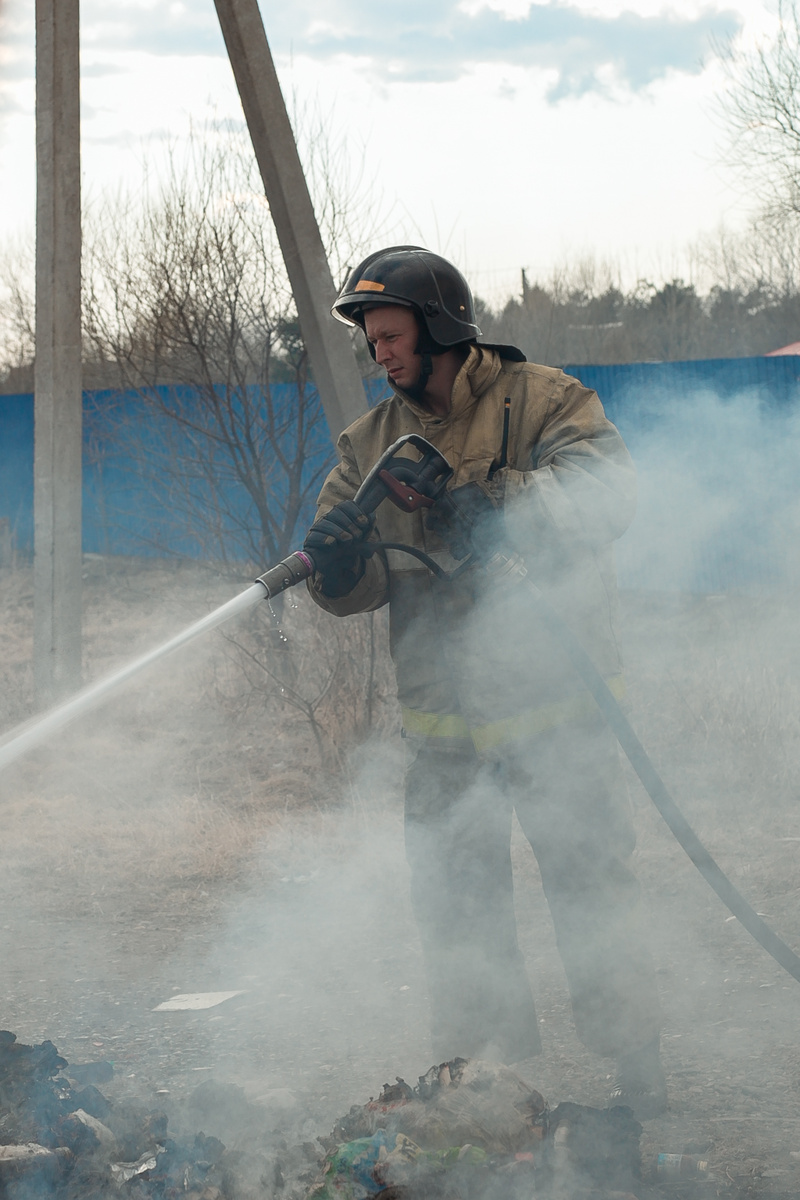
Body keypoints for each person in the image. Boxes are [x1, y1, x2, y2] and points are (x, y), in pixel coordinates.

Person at [303, 246, 666, 1117]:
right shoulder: (369, 445)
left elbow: (609, 491)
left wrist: (499, 505)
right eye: (371, 341)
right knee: (456, 904)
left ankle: (638, 1070)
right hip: (445, 729)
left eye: (391, 335)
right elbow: (349, 582)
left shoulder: (541, 400)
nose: (380, 353)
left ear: (439, 327)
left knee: (589, 884)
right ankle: (478, 1088)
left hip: (555, 709)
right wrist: (335, 564)